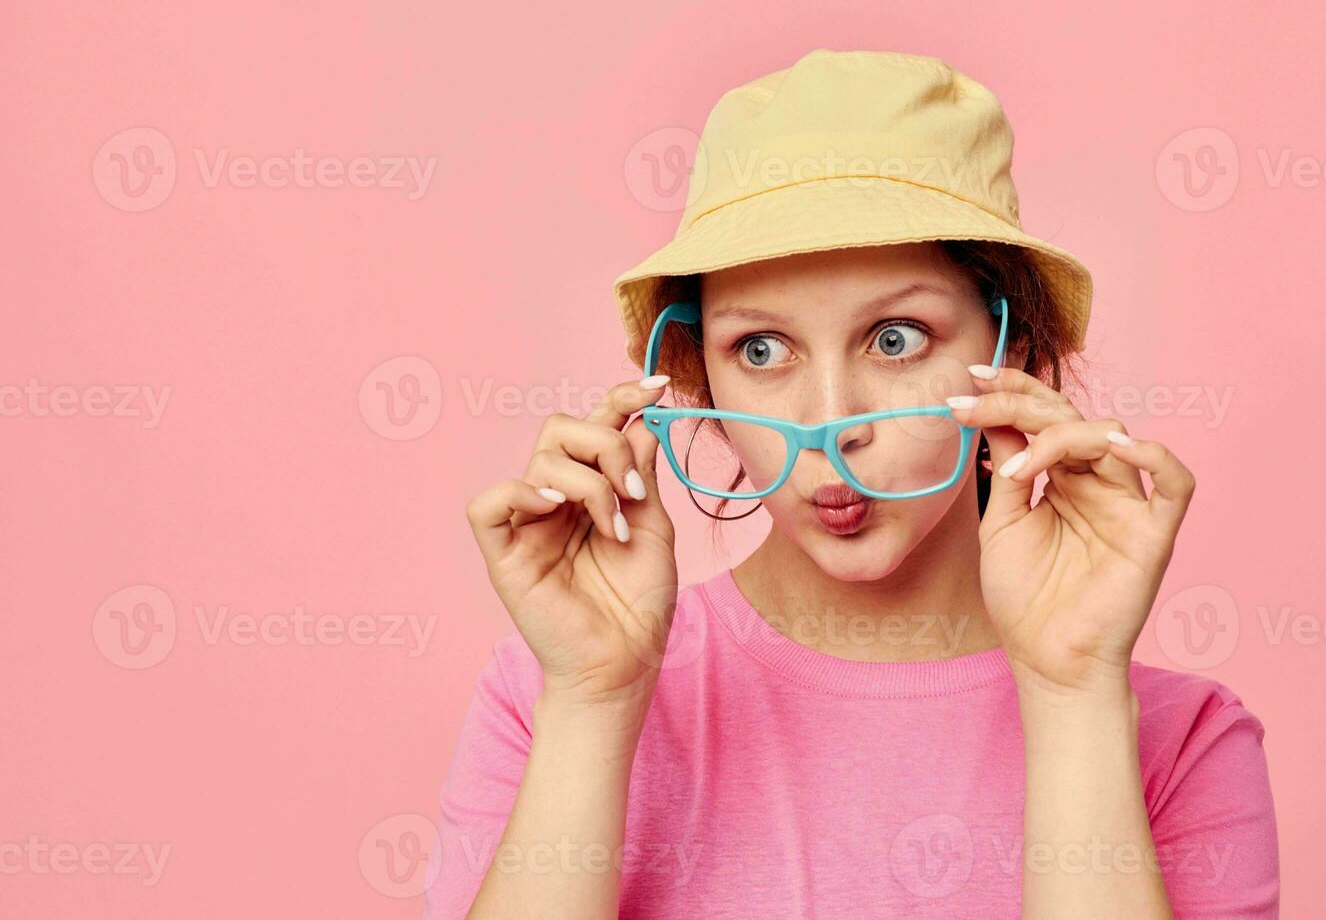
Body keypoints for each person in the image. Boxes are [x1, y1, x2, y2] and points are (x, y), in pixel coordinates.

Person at [427, 48, 1280, 919]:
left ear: (1011, 348)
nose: (829, 426)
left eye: (896, 338)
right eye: (760, 350)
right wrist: (593, 705)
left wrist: (1072, 696)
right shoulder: (549, 696)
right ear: (698, 372)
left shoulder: (1181, 746)